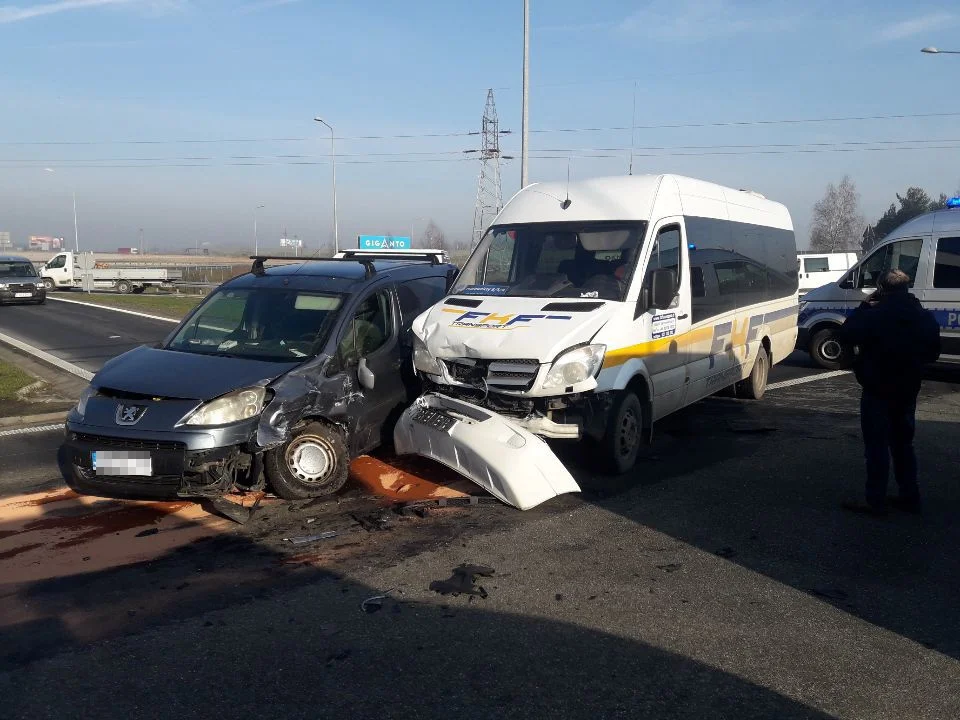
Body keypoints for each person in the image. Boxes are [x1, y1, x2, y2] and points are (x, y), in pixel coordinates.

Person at [838, 269, 941, 516]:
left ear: (881, 288)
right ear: (907, 288)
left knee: (876, 445)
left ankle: (875, 500)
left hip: (877, 388)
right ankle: (909, 496)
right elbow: (933, 353)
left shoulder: (875, 314)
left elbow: (847, 333)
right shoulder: (922, 316)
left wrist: (864, 306)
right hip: (907, 388)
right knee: (903, 444)